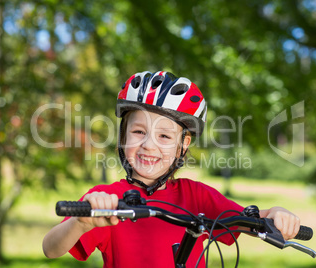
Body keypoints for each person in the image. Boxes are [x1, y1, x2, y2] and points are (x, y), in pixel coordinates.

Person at [42, 71, 301, 267]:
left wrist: (276, 214)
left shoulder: (196, 197)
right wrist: (80, 222)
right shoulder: (108, 200)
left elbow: (249, 220)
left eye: (165, 137)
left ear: (183, 146)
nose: (149, 145)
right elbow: (51, 248)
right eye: (138, 131)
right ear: (123, 136)